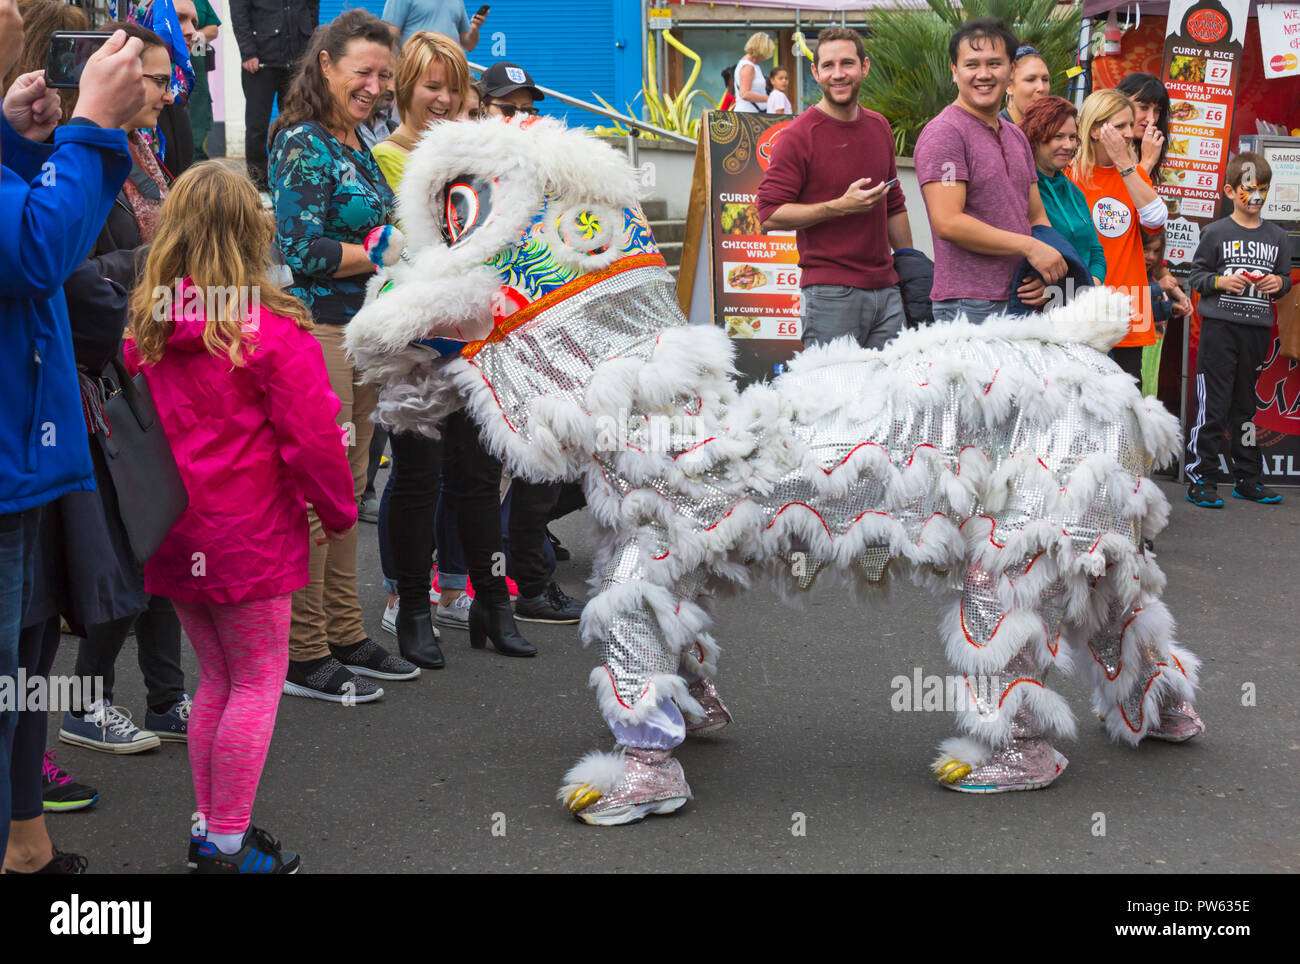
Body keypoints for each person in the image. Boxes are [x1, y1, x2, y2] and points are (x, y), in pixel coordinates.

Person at [126, 162, 357, 873]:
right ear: (253, 235)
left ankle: (213, 825)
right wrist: (338, 509)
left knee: (218, 683)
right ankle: (227, 841)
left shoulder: (148, 325)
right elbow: (314, 437)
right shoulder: (272, 333)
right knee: (257, 680)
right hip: (250, 534)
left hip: (175, 530)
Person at [0, 12, 146, 865]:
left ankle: (28, 846)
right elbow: (29, 253)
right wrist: (90, 129)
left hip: (30, 455)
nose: (18, 14)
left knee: (23, 672)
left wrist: (19, 145)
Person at [269, 9, 418, 700]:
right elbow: (302, 251)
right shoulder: (301, 142)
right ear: (325, 64)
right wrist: (384, 253)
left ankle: (345, 632)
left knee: (351, 491)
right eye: (364, 71)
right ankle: (302, 653)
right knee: (316, 495)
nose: (376, 85)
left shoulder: (357, 140)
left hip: (365, 333)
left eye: (385, 75)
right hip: (323, 334)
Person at [59, 19, 194, 756]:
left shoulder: (148, 147)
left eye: (169, 72)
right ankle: (86, 701)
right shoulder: (76, 155)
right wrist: (161, 259)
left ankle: (169, 696)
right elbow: (75, 280)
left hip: (154, 364)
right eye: (153, 73)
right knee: (122, 545)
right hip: (100, 384)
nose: (168, 87)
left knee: (162, 533)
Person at [369, 29, 473, 666]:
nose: (443, 97)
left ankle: (460, 591)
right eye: (432, 85)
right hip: (413, 341)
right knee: (415, 475)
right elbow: (408, 246)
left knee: (467, 471)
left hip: (470, 333)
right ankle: (400, 599)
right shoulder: (385, 156)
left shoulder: (473, 155)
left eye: (453, 87)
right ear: (405, 87)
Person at [757, 25, 912, 350]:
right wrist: (840, 206)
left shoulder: (879, 126)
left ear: (864, 67)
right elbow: (769, 214)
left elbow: (894, 203)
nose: (838, 74)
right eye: (828, 65)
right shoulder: (798, 136)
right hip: (830, 294)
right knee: (832, 398)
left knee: (890, 398)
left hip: (888, 291)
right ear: (816, 72)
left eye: (847, 63)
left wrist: (910, 263)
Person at [914, 18, 1065, 323]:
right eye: (972, 64)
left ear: (1010, 71)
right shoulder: (946, 132)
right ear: (955, 72)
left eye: (995, 63)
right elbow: (948, 222)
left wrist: (1039, 269)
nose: (983, 74)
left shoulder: (1015, 135)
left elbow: (1035, 216)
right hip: (968, 304)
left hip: (1019, 297)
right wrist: (1030, 246)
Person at [1185, 152, 1293, 508]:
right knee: (1212, 408)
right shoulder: (1215, 232)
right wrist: (1219, 281)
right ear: (1231, 191)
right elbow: (1197, 276)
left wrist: (1279, 282)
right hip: (1219, 330)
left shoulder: (1278, 236)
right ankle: (1202, 477)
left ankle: (1247, 477)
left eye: (1262, 189)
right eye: (1249, 190)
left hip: (1256, 332)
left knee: (1245, 409)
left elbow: (1286, 281)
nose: (1256, 197)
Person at [1067, 89, 1168, 381]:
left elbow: (1155, 221)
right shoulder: (1068, 174)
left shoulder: (1132, 174)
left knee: (1125, 404)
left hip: (1127, 306)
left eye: (1129, 126)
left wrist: (1126, 165)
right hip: (1077, 304)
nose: (1129, 134)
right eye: (1120, 126)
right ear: (1096, 130)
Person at [228, 0, 318, 190]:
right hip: (260, 63)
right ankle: (258, 182)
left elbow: (312, 7)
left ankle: (293, 174)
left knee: (298, 122)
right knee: (257, 125)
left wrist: (311, 49)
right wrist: (248, 52)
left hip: (297, 59)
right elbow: (239, 12)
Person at [1021, 95, 1106, 286]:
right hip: (1038, 308)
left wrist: (1089, 288)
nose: (1068, 146)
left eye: (1072, 137)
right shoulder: (1021, 189)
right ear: (1035, 137)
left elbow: (1096, 252)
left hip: (1078, 305)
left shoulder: (1074, 191)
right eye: (1058, 137)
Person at [1141, 227, 1190, 397]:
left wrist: (1170, 308)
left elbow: (1149, 311)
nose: (1151, 257)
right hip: (1134, 343)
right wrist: (1158, 287)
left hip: (1152, 342)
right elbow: (1129, 299)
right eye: (1146, 249)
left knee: (1148, 388)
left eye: (1156, 251)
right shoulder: (1129, 270)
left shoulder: (1151, 271)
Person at [179, 0, 221, 160]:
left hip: (196, 55)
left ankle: (198, 162)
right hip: (170, 56)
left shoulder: (200, 2)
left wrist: (200, 35)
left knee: (198, 109)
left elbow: (213, 29)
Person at [1115, 72, 1169, 181]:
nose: (1151, 119)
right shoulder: (1103, 147)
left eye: (1157, 110)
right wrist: (1147, 162)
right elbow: (1122, 196)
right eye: (1143, 107)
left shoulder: (1144, 148)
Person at [383, 0, 485, 49]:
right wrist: (391, 72)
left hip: (449, 71)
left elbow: (469, 45)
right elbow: (389, 37)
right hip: (414, 70)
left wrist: (475, 27)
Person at [1000, 43, 1050, 126]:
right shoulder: (991, 134)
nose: (1041, 87)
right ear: (1009, 86)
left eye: (1045, 79)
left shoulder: (1051, 131)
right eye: (1031, 79)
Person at [733, 32, 772, 114]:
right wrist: (769, 98)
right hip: (747, 113)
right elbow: (744, 94)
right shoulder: (748, 66)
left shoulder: (753, 65)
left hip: (753, 112)